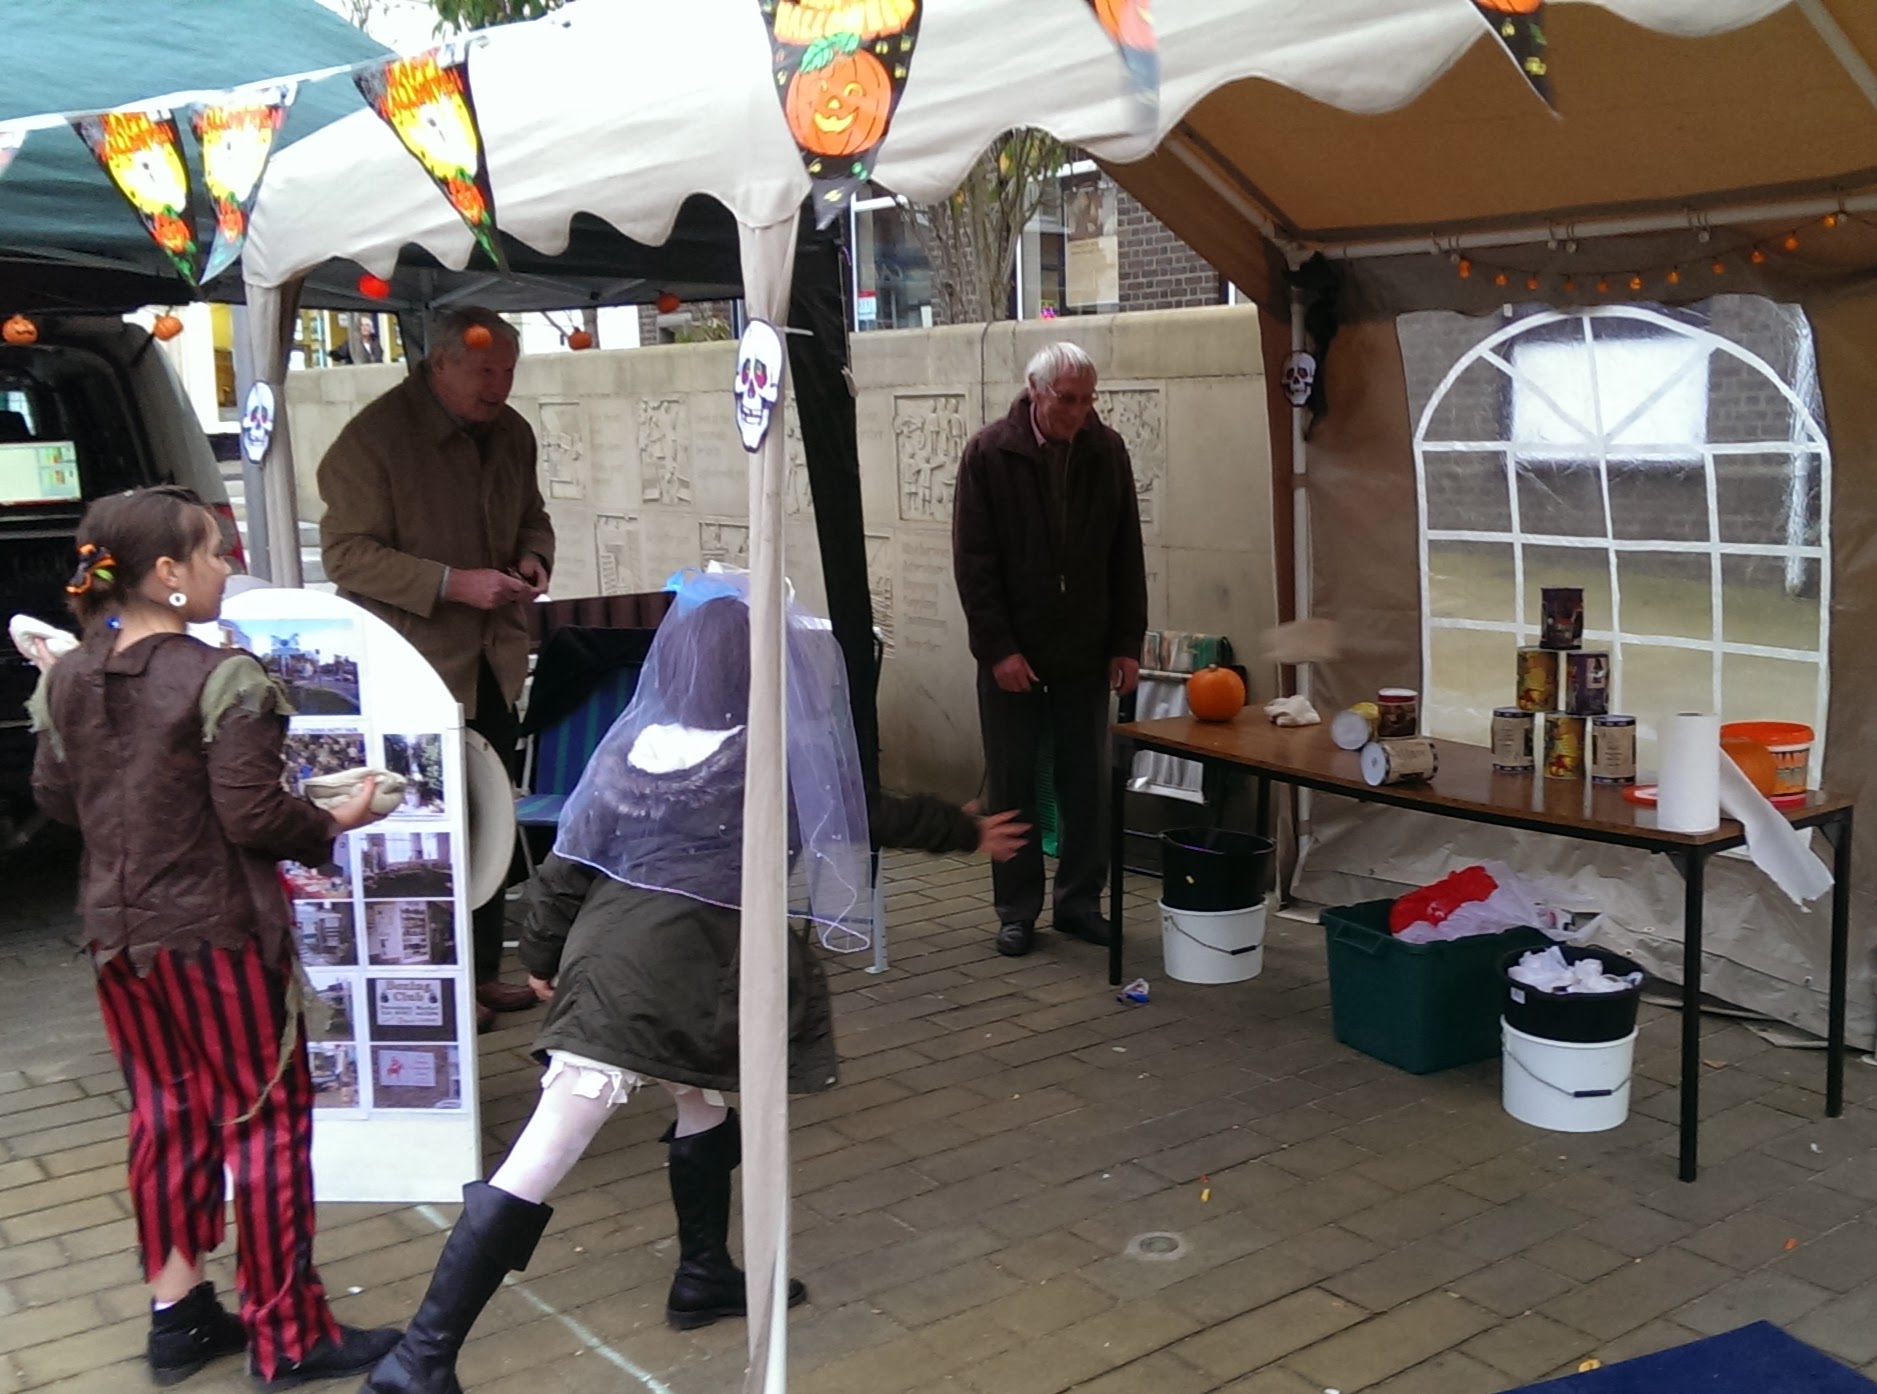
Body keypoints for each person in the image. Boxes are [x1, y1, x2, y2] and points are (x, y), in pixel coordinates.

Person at [359, 571, 1026, 1394]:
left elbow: (565, 868)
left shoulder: (630, 746)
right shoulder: (765, 761)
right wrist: (962, 832)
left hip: (632, 964)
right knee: (534, 1161)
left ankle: (702, 1274)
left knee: (699, 1100)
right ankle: (418, 1360)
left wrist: (541, 958)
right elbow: (861, 811)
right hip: (662, 981)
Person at [29, 485, 400, 1390]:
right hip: (218, 939)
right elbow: (252, 817)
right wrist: (336, 817)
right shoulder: (222, 676)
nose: (225, 568)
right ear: (167, 571)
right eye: (212, 552)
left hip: (119, 938)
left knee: (165, 1115)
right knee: (264, 1121)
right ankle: (288, 1335)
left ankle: (180, 1317)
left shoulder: (68, 675)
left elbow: (55, 797)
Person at [317, 306, 554, 1031]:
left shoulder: (512, 433)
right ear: (440, 363)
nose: (499, 386)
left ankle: (480, 974)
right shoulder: (375, 439)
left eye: (508, 371)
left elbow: (533, 515)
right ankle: (436, 981)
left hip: (492, 662)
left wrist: (532, 558)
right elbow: (346, 555)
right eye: (484, 371)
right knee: (423, 832)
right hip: (412, 667)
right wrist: (451, 583)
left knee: (488, 819)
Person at [952, 341, 1148, 958]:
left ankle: (1079, 903)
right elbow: (973, 563)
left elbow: (1126, 552)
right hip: (1016, 650)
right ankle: (1016, 910)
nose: (1080, 411)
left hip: (1085, 646)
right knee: (1012, 783)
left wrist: (1126, 642)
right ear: (1035, 390)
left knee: (1085, 780)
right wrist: (998, 649)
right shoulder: (989, 453)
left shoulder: (1106, 450)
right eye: (1068, 399)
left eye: (1089, 399)